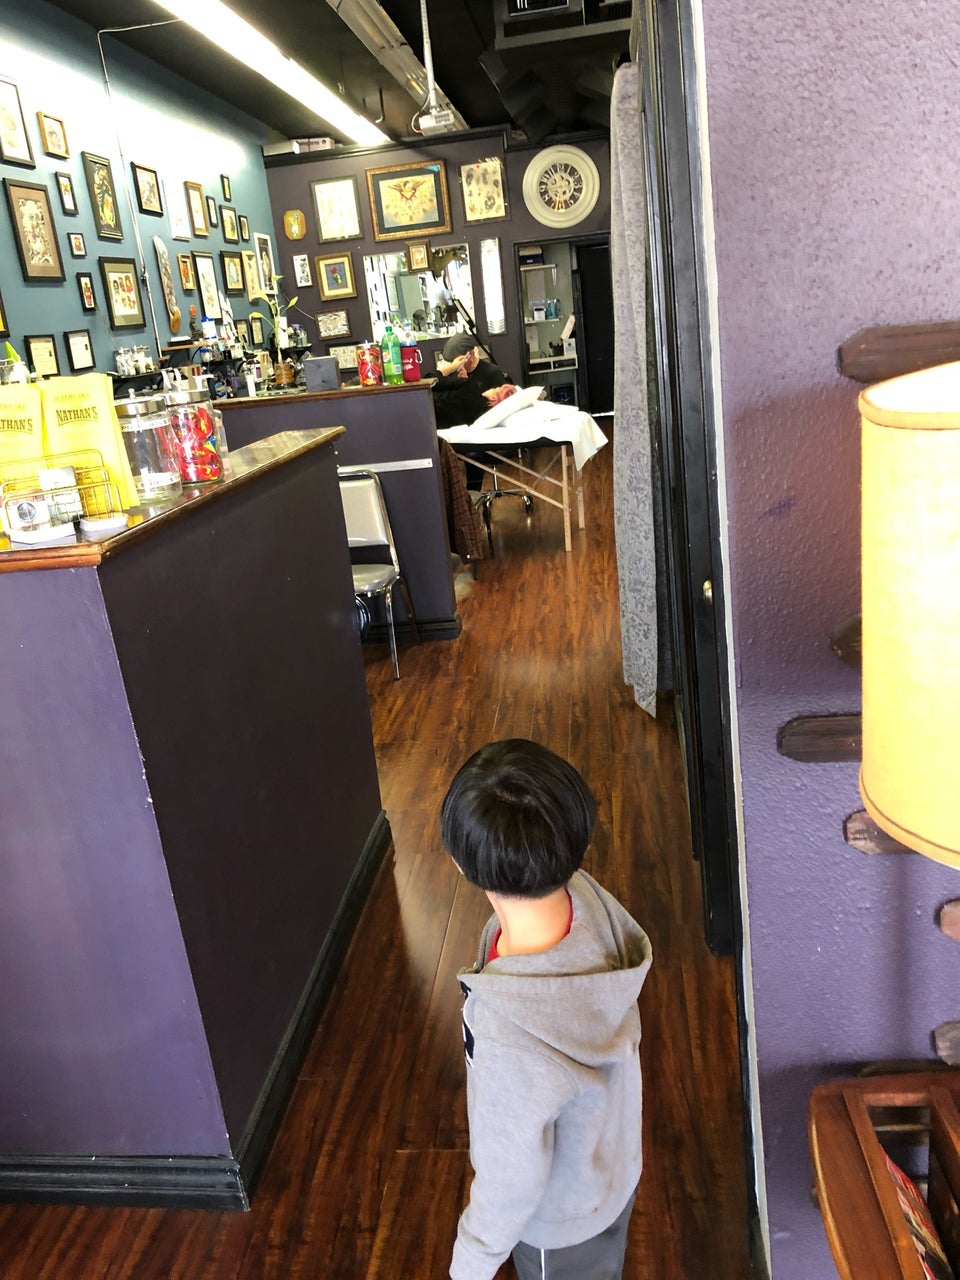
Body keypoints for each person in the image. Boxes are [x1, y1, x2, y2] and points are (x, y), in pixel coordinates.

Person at [440, 739, 653, 1280]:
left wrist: (469, 1266)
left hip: (558, 1229)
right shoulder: (587, 898)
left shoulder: (508, 1037)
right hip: (611, 1165)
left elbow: (510, 1183)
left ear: (462, 866)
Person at [430, 333, 516, 431]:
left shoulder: (491, 373)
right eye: (452, 362)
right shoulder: (455, 374)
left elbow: (503, 408)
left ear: (470, 354)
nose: (456, 364)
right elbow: (431, 383)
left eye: (458, 360)